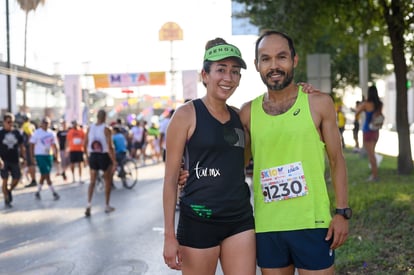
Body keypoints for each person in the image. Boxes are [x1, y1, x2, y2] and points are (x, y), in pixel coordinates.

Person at [238, 30, 349, 274]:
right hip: (268, 227)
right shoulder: (247, 113)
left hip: (313, 222)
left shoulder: (318, 103)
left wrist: (342, 212)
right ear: (257, 65)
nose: (274, 65)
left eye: (281, 57)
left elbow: (336, 160)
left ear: (294, 60)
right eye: (265, 59)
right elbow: (235, 164)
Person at [163, 38, 256, 274]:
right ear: (205, 75)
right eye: (221, 70)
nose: (228, 77)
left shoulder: (240, 116)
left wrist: (303, 91)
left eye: (235, 72)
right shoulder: (185, 115)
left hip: (239, 219)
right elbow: (170, 179)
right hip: (198, 221)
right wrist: (169, 236)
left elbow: (240, 162)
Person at [83, 109, 117, 216]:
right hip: (104, 156)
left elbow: (85, 144)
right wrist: (114, 161)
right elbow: (110, 146)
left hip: (93, 155)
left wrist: (87, 156)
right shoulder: (107, 129)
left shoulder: (90, 128)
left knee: (92, 181)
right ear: (105, 117)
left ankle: (88, 204)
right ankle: (106, 205)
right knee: (107, 181)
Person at [355, 85, 383, 182]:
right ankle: (374, 174)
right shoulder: (379, 104)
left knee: (371, 154)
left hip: (367, 131)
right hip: (376, 131)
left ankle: (374, 176)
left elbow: (356, 113)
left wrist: (362, 107)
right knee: (372, 153)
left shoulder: (366, 104)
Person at [30, 117, 61, 200]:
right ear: (41, 123)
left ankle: (38, 192)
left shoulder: (51, 133)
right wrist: (32, 156)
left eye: (47, 123)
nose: (46, 124)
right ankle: (54, 192)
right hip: (40, 155)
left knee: (44, 175)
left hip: (48, 155)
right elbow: (32, 145)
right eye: (44, 123)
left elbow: (55, 145)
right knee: (46, 174)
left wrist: (57, 156)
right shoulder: (37, 133)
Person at [0, 113, 25, 208]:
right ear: (4, 122)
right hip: (3, 160)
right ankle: (6, 198)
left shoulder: (17, 132)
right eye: (8, 122)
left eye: (12, 122)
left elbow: (21, 146)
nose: (10, 124)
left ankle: (9, 190)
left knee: (17, 178)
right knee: (5, 179)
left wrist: (24, 157)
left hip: (15, 159)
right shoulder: (1, 133)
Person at [21, 114, 37, 187]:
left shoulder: (26, 125)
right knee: (30, 163)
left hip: (29, 147)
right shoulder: (32, 125)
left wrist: (28, 145)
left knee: (30, 164)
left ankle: (33, 180)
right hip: (32, 146)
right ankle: (32, 179)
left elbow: (31, 135)